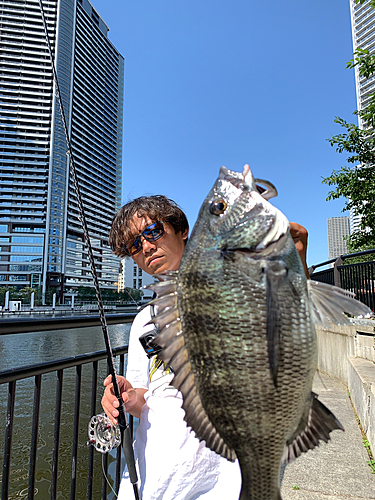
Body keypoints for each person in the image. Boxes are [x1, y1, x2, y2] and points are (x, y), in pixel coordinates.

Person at [101, 195, 309, 500]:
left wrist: (295, 258)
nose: (146, 247)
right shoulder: (145, 320)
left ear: (183, 230)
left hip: (223, 477)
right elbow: (144, 396)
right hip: (153, 478)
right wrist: (128, 397)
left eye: (153, 232)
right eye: (134, 245)